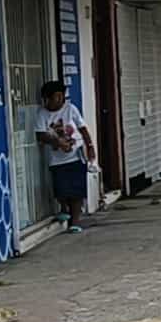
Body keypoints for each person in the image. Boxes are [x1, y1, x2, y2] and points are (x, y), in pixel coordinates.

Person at [35, 81, 96, 234]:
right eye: (56, 97)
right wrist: (57, 142)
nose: (60, 100)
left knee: (76, 190)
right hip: (56, 158)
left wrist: (90, 146)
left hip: (75, 155)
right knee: (60, 188)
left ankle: (75, 221)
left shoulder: (70, 109)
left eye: (62, 96)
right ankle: (63, 208)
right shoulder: (42, 114)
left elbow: (82, 128)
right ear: (46, 98)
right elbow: (40, 134)